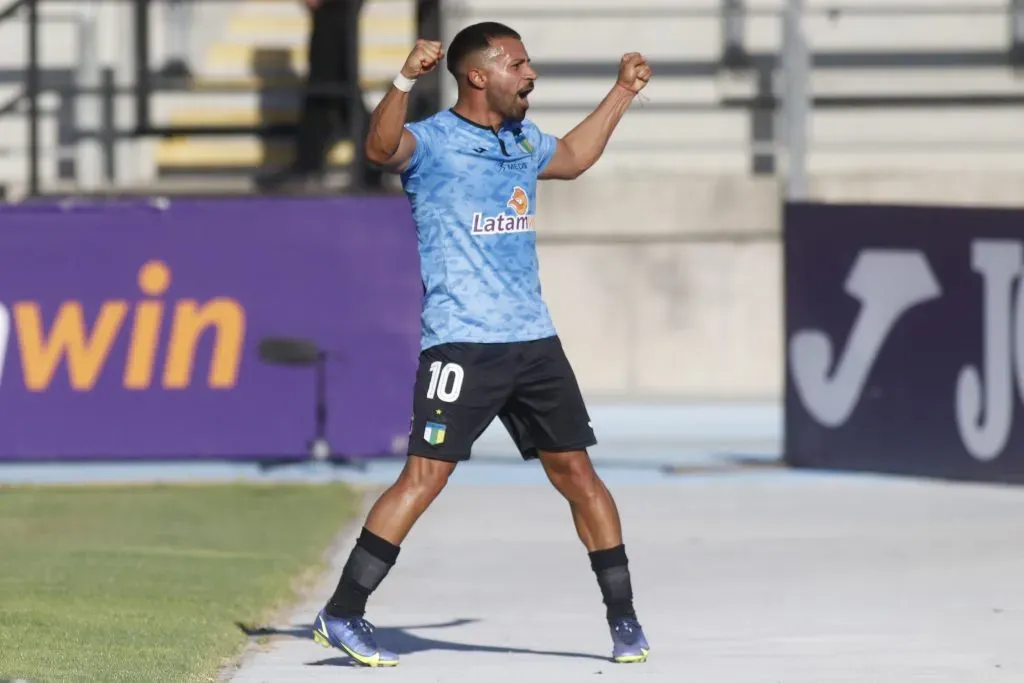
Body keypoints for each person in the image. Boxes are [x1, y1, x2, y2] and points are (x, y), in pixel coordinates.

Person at [311, 21, 653, 667]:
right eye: (518, 64)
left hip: (534, 342)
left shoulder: (521, 140)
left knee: (579, 474)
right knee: (425, 476)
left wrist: (621, 93)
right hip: (462, 344)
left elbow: (574, 158)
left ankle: (625, 619)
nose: (531, 74)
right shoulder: (436, 142)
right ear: (478, 74)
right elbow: (381, 149)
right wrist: (404, 79)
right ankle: (343, 611)